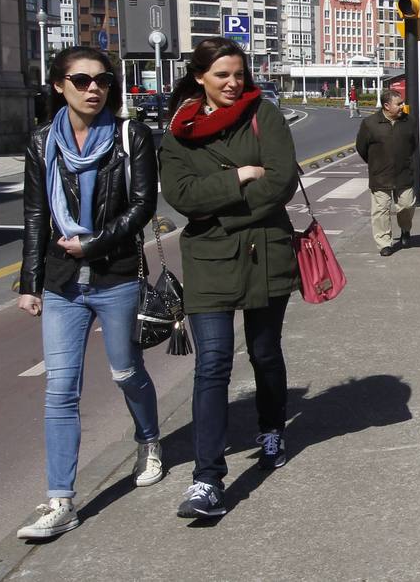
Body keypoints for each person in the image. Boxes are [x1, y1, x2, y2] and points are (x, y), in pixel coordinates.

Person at [16, 47, 163, 540]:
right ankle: (61, 501)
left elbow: (142, 206)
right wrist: (30, 281)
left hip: (114, 272)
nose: (93, 88)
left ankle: (149, 440)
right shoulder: (41, 141)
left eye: (101, 80)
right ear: (59, 85)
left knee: (125, 371)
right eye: (80, 80)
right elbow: (36, 214)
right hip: (61, 282)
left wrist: (93, 243)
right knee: (60, 390)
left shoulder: (130, 135)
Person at [159, 37, 301, 519]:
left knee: (264, 351)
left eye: (238, 73)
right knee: (213, 363)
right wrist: (240, 174)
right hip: (209, 260)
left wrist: (219, 211)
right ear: (200, 76)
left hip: (265, 253)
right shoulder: (178, 130)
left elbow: (280, 179)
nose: (232, 83)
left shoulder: (266, 114)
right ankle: (207, 479)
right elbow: (181, 195)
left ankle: (272, 429)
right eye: (221, 74)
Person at [355, 88, 419, 255]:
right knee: (381, 210)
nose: (402, 106)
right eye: (399, 104)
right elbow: (361, 148)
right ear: (386, 106)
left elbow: (413, 144)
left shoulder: (409, 122)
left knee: (406, 205)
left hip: (403, 172)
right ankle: (384, 243)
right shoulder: (370, 124)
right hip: (380, 175)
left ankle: (405, 229)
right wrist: (376, 163)